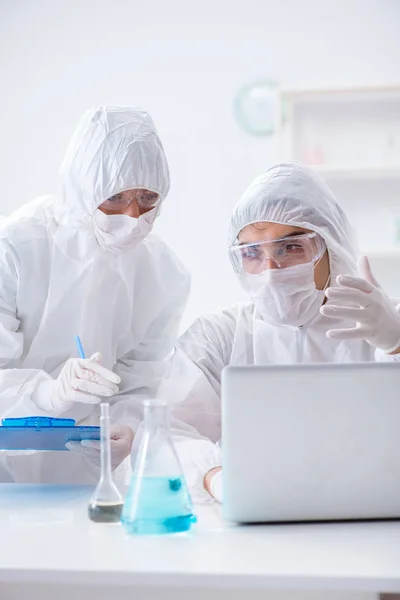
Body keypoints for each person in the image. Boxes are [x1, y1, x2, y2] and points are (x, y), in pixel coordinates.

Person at [162, 162, 400, 503]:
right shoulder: (219, 337)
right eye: (252, 253)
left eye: (290, 248)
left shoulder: (386, 321)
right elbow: (166, 429)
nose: (271, 271)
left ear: (331, 247)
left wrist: (396, 346)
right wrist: (215, 477)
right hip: (257, 523)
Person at [0, 105, 190, 485]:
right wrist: (48, 394)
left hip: (90, 478)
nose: (134, 215)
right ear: (83, 186)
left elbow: (141, 381)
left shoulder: (164, 273)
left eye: (147, 197)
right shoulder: (17, 247)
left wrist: (128, 427)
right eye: (116, 197)